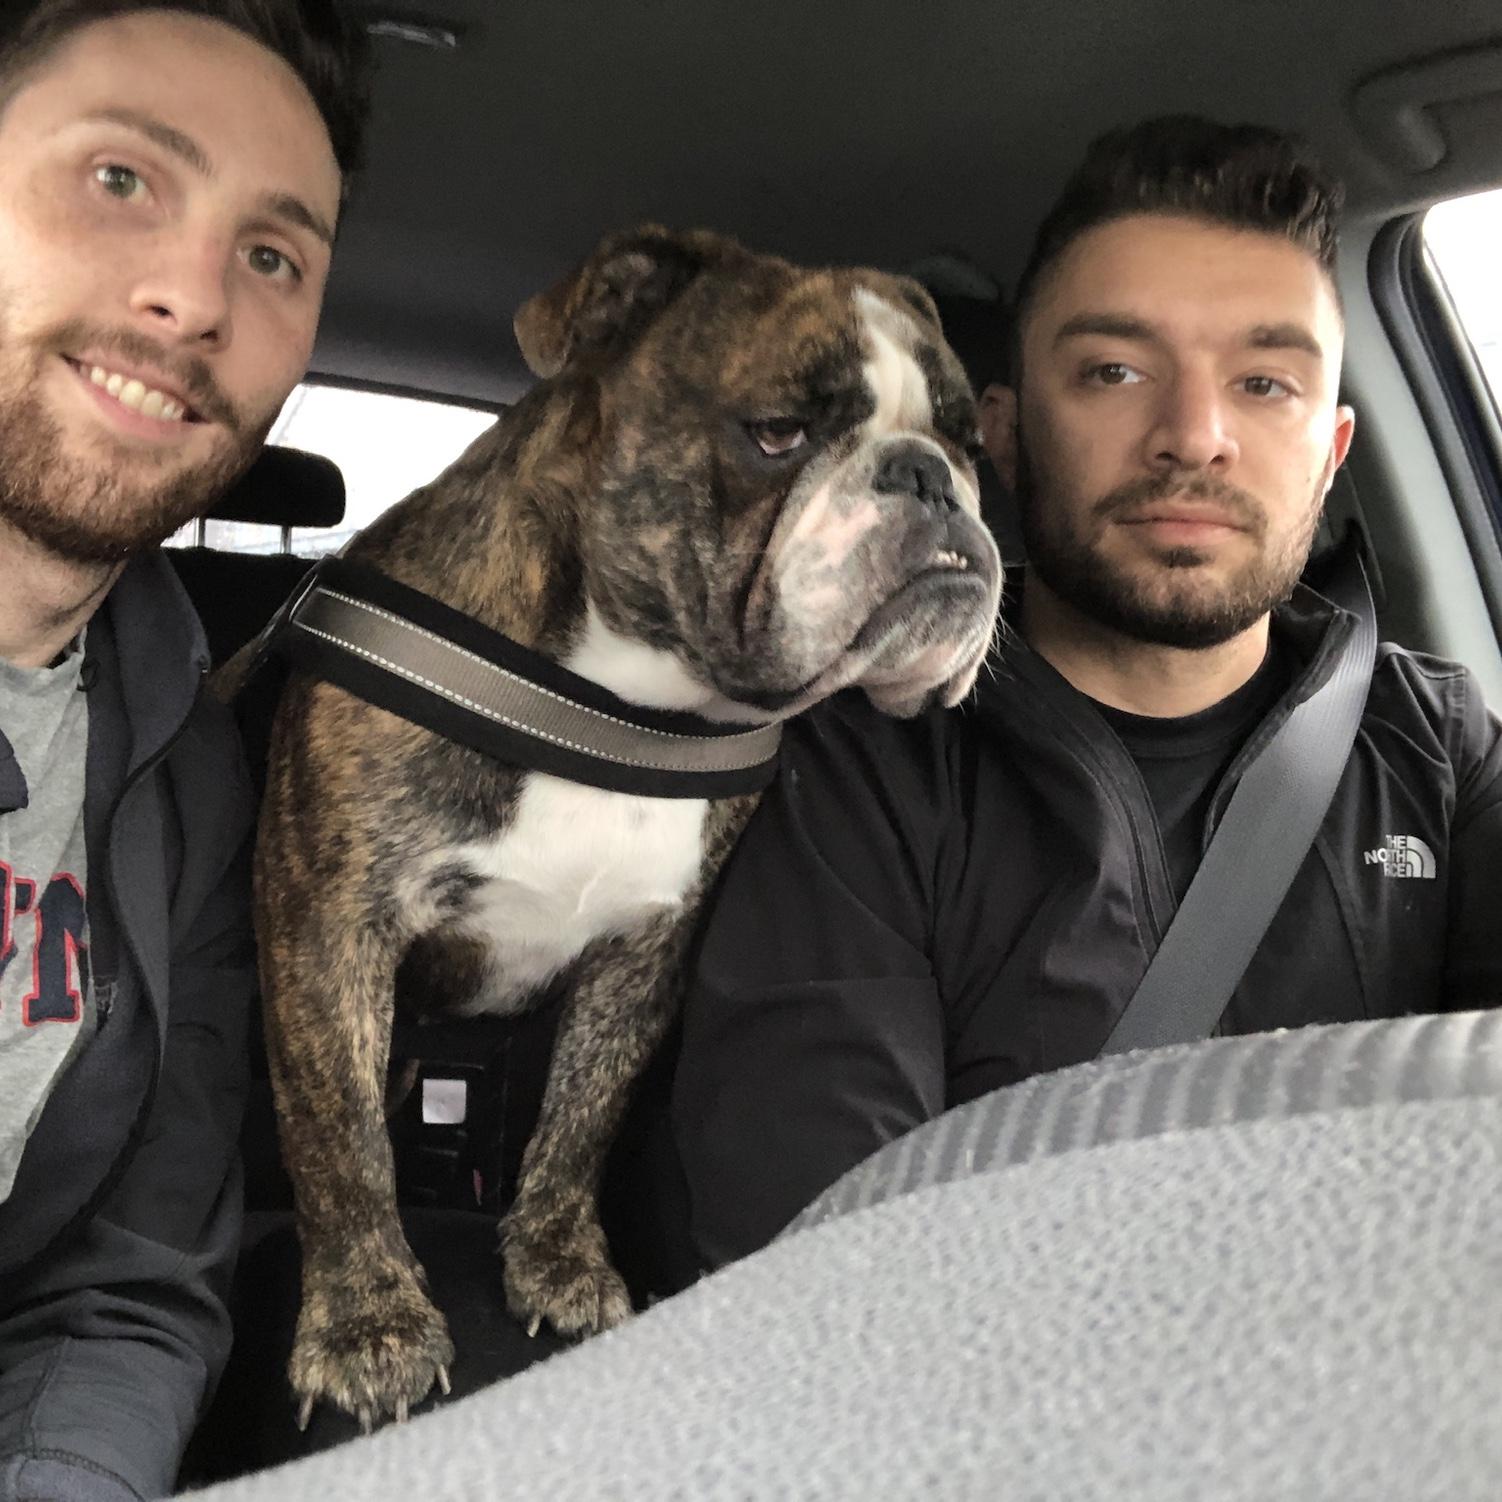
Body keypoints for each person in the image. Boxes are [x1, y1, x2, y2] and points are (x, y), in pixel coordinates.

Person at [652, 115, 1502, 1282]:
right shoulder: (863, 759)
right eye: (1114, 371)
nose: (1193, 437)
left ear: (1329, 449)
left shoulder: (1441, 748)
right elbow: (825, 1282)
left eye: (1264, 382)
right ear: (1002, 436)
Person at [0, 3, 367, 1498]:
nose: (193, 297)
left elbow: (124, 1284)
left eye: (271, 256)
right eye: (121, 179)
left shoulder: (196, 779)